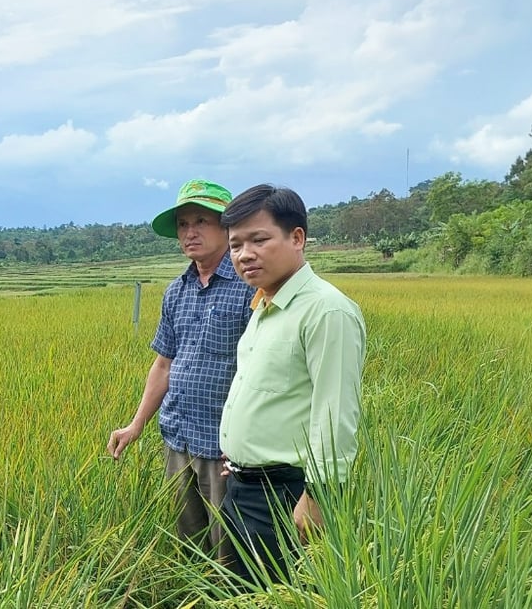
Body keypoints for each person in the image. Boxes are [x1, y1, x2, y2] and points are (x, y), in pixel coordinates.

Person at [217, 184, 367, 585]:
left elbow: (335, 415)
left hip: (287, 497)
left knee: (278, 592)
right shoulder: (265, 305)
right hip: (243, 487)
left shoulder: (326, 310)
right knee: (241, 590)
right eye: (235, 245)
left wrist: (317, 499)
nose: (244, 254)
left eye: (259, 239)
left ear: (296, 237)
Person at [107, 179, 255, 555]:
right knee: (188, 545)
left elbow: (265, 371)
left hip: (226, 447)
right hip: (179, 438)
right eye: (183, 224)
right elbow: (163, 364)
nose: (190, 232)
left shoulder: (249, 287)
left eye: (201, 221)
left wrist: (249, 444)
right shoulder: (177, 290)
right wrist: (136, 423)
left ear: (227, 227)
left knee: (231, 549)